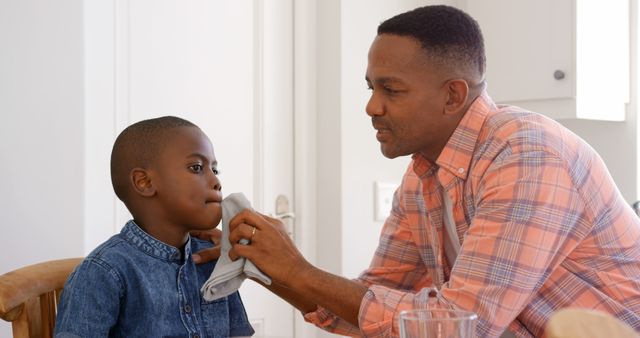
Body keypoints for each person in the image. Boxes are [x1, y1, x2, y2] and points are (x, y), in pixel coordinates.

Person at [192, 5, 640, 338]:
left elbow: (462, 327)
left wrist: (297, 267)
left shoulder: (526, 154)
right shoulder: (423, 176)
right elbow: (365, 309)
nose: (371, 106)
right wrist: (259, 264)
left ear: (452, 95)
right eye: (371, 88)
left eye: (392, 89)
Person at [55, 116, 254, 337]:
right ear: (145, 182)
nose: (216, 181)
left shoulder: (215, 259)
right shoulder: (103, 271)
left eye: (215, 170)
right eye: (196, 167)